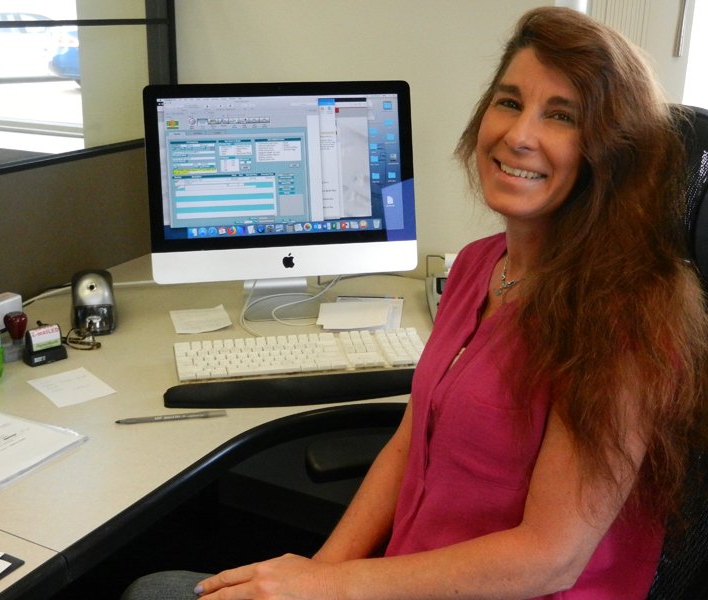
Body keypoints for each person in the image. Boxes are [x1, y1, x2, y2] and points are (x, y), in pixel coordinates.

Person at [122, 7, 708, 599]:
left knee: (154, 591)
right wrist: (317, 572)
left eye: (562, 116)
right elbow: (410, 441)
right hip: (406, 579)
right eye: (508, 102)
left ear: (611, 150)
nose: (518, 135)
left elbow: (548, 558)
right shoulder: (480, 265)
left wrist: (334, 588)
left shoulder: (624, 316)